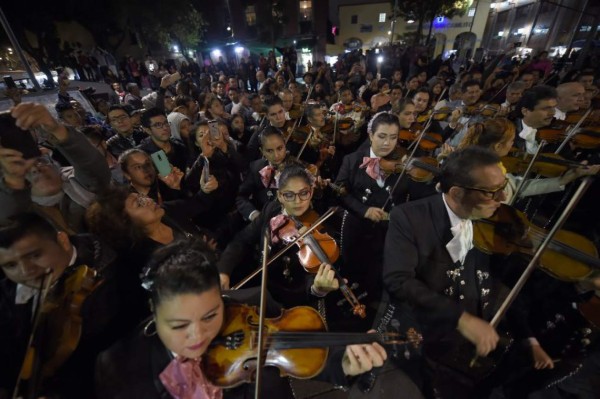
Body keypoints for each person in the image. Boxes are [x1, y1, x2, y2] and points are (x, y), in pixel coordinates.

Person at [95, 239, 387, 398]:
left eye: (211, 315)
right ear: (153, 309)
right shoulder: (118, 369)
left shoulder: (251, 308)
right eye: (179, 325)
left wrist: (345, 364)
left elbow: (303, 357)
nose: (199, 336)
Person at [383, 146, 508, 398]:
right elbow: (399, 280)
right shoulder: (408, 217)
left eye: (503, 186)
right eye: (491, 192)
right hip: (429, 334)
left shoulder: (500, 220)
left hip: (485, 333)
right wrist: (461, 318)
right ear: (457, 192)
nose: (503, 197)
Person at [0, 212, 126, 398]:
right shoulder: (8, 292)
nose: (25, 271)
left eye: (35, 255)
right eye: (11, 265)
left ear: (63, 241)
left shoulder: (112, 280)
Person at [0, 103, 111, 233]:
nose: (37, 169)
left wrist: (57, 129)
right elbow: (9, 220)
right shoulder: (21, 209)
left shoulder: (81, 183)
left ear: (58, 167)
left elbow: (94, 168)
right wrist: (13, 180)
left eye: (41, 161)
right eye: (27, 170)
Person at [458, 118, 599, 204]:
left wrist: (562, 180)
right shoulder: (483, 170)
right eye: (511, 141)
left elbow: (517, 186)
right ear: (498, 146)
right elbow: (507, 196)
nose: (513, 146)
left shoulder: (492, 164)